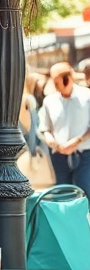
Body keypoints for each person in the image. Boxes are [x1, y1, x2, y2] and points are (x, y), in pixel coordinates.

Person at [39, 62, 90, 193]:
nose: (55, 87)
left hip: (84, 155)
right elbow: (44, 127)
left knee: (84, 191)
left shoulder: (87, 97)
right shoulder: (49, 101)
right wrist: (50, 140)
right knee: (63, 194)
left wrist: (77, 141)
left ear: (67, 80)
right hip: (59, 156)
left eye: (57, 83)